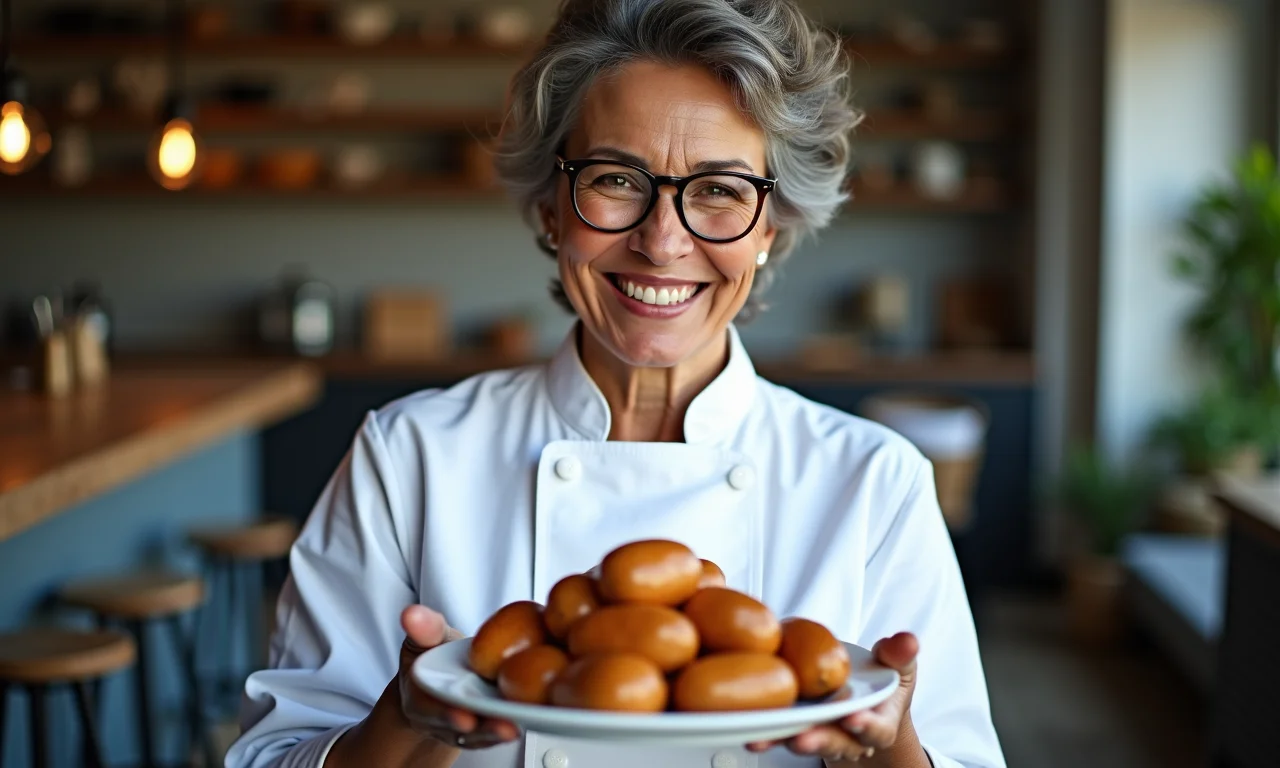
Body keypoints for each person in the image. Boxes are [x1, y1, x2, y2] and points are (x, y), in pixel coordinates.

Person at [225, 1, 1006, 766]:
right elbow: (275, 757)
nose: (662, 242)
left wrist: (885, 749)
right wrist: (409, 721)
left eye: (721, 191)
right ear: (552, 208)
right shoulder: (410, 457)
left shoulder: (872, 482)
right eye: (615, 179)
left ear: (770, 229)